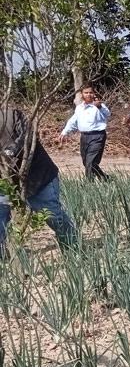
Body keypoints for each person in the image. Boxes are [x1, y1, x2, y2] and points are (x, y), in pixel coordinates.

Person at [0, 108, 79, 256]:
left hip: (36, 177)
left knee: (50, 214)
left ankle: (72, 244)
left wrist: (9, 152)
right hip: (3, 181)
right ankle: (3, 254)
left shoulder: (12, 115)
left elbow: (27, 137)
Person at [59, 85, 110, 180]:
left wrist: (100, 107)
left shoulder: (99, 106)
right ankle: (105, 178)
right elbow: (73, 120)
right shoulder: (79, 108)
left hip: (97, 136)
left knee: (91, 162)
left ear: (94, 93)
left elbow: (108, 114)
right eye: (86, 93)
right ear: (82, 94)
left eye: (91, 92)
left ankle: (89, 183)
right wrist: (65, 132)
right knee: (86, 162)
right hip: (84, 137)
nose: (88, 95)